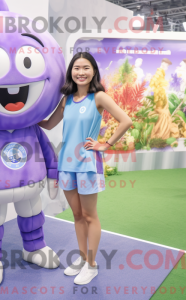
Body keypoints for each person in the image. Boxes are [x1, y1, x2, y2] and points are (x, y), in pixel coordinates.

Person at [38, 51, 132, 285]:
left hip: (88, 165)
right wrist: (21, 117)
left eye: (86, 68)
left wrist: (105, 144)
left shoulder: (98, 97)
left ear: (93, 71)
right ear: (71, 71)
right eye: (77, 68)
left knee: (90, 216)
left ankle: (92, 265)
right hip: (66, 165)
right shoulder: (66, 99)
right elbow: (49, 124)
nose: (81, 72)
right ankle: (82, 259)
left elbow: (126, 120)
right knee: (77, 215)